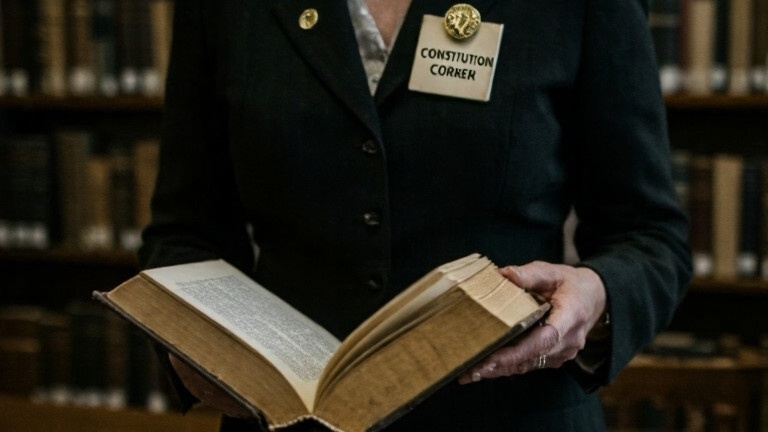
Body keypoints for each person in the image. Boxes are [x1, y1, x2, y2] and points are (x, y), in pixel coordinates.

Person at [138, 0, 692, 430]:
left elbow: (649, 235)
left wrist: (595, 293)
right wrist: (188, 343)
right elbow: (185, 232)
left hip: (510, 416)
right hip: (289, 418)